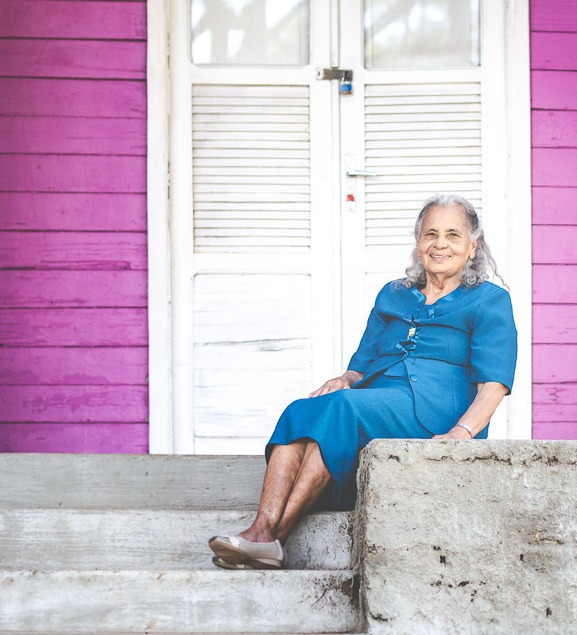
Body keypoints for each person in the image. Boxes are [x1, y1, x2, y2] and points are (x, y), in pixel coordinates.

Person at [208, 193, 518, 570]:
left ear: (472, 248)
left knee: (343, 408)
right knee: (301, 410)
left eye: (453, 235)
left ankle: (274, 537)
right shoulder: (393, 294)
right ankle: (261, 531)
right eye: (430, 233)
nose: (440, 243)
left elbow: (495, 383)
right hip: (376, 402)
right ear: (418, 244)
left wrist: (463, 432)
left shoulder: (489, 300)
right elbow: (361, 366)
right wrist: (344, 378)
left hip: (437, 413)